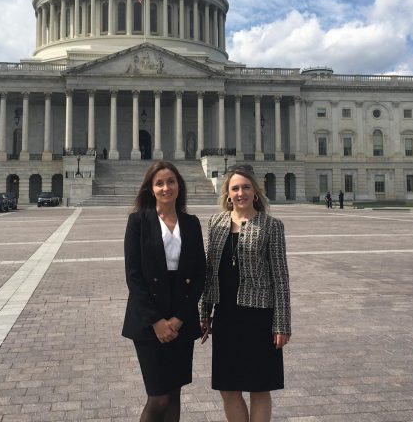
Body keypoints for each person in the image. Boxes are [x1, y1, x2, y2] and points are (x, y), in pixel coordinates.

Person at [200, 164, 291, 422]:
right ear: (228, 194)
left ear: (255, 192)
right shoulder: (216, 223)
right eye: (235, 188)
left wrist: (282, 324)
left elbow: (280, 278)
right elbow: (209, 271)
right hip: (226, 316)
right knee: (228, 388)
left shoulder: (271, 226)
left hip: (259, 317)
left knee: (259, 388)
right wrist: (204, 312)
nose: (241, 193)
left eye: (246, 187)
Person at [122, 161, 206, 422]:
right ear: (151, 188)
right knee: (158, 397)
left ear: (179, 186)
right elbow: (133, 276)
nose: (166, 188)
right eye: (159, 183)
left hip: (181, 314)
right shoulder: (138, 221)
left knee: (174, 393)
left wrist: (180, 318)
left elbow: (200, 273)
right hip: (149, 318)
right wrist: (156, 321)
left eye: (171, 181)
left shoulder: (191, 223)